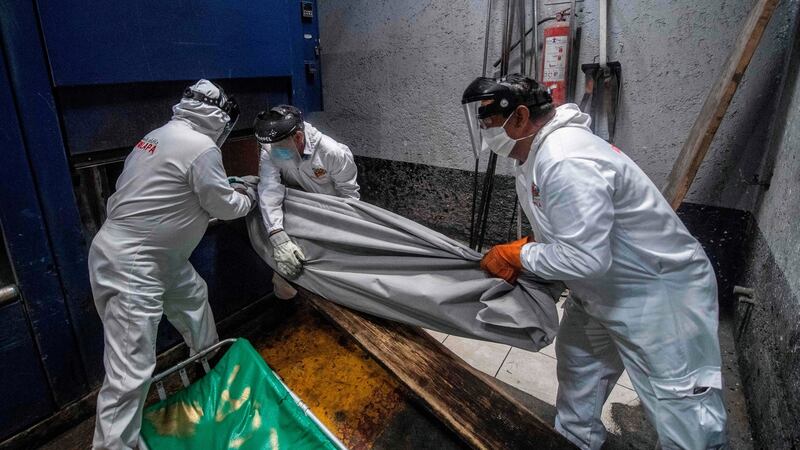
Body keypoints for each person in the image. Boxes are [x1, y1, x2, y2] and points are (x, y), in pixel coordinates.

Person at [462, 74, 727, 449]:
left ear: (519, 117)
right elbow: (569, 230)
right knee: (580, 367)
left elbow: (585, 258)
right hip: (604, 289)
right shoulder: (535, 155)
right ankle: (575, 441)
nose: (487, 132)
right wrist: (533, 244)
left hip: (658, 295)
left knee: (682, 408)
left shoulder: (566, 159)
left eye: (489, 122)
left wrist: (517, 253)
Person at [88, 79, 258, 450]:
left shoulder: (159, 135)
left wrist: (225, 186)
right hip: (135, 264)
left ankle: (209, 361)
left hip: (146, 254)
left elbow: (167, 187)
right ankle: (113, 445)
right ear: (219, 117)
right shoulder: (201, 148)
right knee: (130, 368)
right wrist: (248, 194)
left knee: (193, 295)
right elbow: (223, 206)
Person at [254, 105, 360, 299]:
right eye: (271, 147)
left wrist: (344, 231)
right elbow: (270, 189)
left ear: (299, 137)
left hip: (334, 215)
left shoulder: (331, 153)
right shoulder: (270, 150)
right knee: (286, 278)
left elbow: (349, 196)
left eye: (280, 148)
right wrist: (276, 235)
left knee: (335, 269)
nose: (275, 152)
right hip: (299, 214)